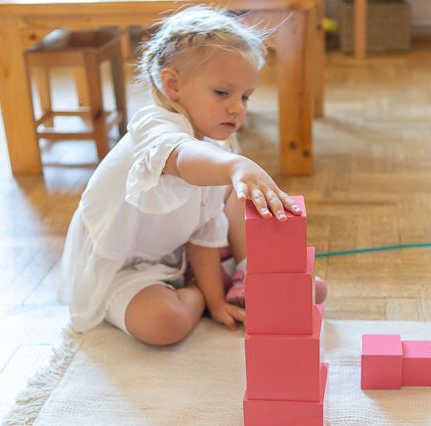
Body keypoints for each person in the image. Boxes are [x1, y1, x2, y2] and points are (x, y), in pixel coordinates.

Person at [58, 6, 325, 346]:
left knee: (237, 192)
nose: (237, 108)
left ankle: (252, 272)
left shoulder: (217, 141)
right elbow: (182, 158)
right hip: (121, 268)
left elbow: (203, 232)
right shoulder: (153, 124)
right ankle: (204, 285)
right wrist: (234, 166)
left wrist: (217, 305)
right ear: (173, 85)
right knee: (163, 324)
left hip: (178, 252)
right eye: (222, 93)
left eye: (245, 97)